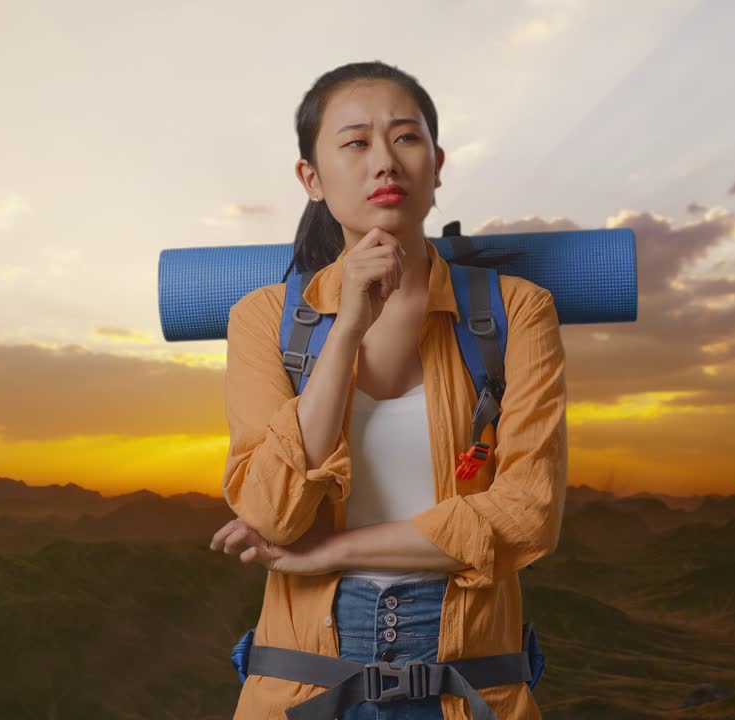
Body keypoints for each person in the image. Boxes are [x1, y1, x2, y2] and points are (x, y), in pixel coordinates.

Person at [209, 60, 568, 720]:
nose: (384, 161)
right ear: (311, 179)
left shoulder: (519, 312)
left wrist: (327, 552)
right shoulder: (263, 318)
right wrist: (345, 328)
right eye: (355, 142)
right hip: (302, 689)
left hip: (471, 685)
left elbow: (528, 516)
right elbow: (270, 513)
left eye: (406, 138)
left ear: (436, 164)